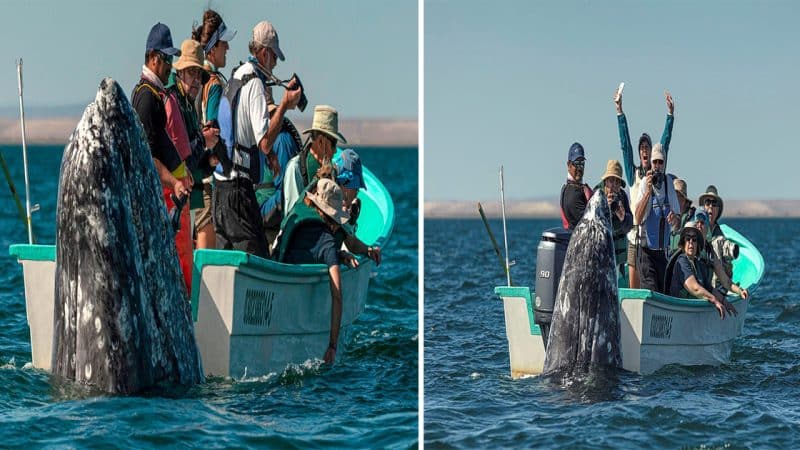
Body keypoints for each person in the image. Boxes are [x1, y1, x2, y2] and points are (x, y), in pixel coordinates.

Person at [212, 20, 302, 258]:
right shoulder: (255, 85)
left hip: (220, 185)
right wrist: (283, 105)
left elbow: (243, 129)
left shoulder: (237, 75)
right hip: (238, 191)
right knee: (259, 259)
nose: (274, 64)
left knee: (226, 261)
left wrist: (270, 157)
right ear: (264, 52)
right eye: (273, 57)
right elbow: (263, 141)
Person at [131, 23, 195, 289]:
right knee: (175, 267)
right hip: (164, 197)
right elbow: (147, 156)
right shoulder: (147, 98)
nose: (171, 65)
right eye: (167, 59)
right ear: (154, 58)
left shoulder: (155, 95)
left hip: (171, 197)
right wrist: (174, 182)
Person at [277, 178, 355, 364]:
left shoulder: (298, 215)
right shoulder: (327, 243)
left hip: (279, 290)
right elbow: (337, 294)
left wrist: (338, 254)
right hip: (293, 310)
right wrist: (332, 346)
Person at [163, 39, 219, 292]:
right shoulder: (173, 102)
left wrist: (210, 161)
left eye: (199, 74)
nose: (196, 79)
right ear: (180, 73)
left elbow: (193, 162)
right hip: (173, 197)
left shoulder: (186, 105)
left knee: (186, 263)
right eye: (192, 73)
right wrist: (204, 142)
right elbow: (180, 158)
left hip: (185, 198)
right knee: (178, 262)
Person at [615, 89, 675, 289]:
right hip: (635, 238)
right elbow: (625, 146)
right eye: (641, 149)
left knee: (653, 285)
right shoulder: (633, 175)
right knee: (635, 289)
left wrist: (670, 117)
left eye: (646, 148)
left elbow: (664, 145)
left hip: (654, 243)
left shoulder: (658, 176)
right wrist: (619, 112)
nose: (643, 151)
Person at [192, 9, 237, 250]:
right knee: (206, 248)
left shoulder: (193, 76)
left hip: (188, 170)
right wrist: (221, 162)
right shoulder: (215, 83)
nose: (227, 49)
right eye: (223, 44)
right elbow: (212, 128)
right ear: (212, 47)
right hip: (206, 177)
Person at [668, 222, 748, 318]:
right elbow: (694, 288)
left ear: (698, 244)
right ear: (683, 243)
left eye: (694, 240)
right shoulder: (682, 261)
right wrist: (714, 300)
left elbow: (709, 288)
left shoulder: (699, 265)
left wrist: (724, 301)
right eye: (687, 239)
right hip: (679, 313)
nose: (691, 242)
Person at [634, 143, 681, 293]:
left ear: (664, 164)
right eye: (655, 162)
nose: (657, 166)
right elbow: (638, 218)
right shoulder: (643, 184)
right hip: (646, 252)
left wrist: (675, 219)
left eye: (661, 162)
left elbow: (678, 223)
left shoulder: (669, 184)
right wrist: (648, 192)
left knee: (664, 292)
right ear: (651, 164)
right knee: (651, 291)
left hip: (663, 254)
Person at [283, 105, 347, 214]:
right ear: (321, 141)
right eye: (333, 144)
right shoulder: (295, 168)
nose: (335, 151)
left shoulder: (331, 172)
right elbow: (292, 215)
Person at [596, 160, 633, 273]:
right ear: (606, 181)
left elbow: (629, 226)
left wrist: (622, 216)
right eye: (611, 180)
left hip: (618, 261)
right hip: (601, 258)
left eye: (617, 182)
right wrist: (605, 207)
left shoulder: (622, 197)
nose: (614, 185)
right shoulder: (597, 196)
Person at [699, 185, 739, 287]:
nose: (710, 206)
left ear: (718, 209)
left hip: (714, 286)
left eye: (714, 203)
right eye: (708, 203)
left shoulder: (720, 237)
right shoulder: (695, 228)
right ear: (704, 207)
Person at [559, 142, 592, 230]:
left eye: (582, 163)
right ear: (569, 165)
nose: (579, 168)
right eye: (576, 163)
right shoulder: (572, 193)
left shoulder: (579, 189)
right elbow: (588, 224)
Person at [669, 177, 695, 255]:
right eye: (672, 196)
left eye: (677, 196)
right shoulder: (668, 216)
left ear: (684, 200)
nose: (674, 199)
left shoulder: (691, 218)